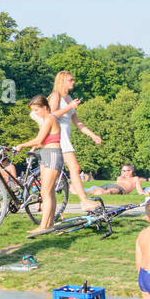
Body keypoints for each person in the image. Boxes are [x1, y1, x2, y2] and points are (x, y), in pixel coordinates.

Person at [48, 70, 103, 208]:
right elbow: (51, 116)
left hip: (64, 138)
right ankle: (84, 201)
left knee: (54, 174)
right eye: (70, 80)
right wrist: (69, 107)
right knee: (74, 167)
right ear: (62, 82)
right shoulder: (56, 96)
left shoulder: (69, 98)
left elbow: (77, 123)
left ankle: (43, 203)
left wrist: (93, 135)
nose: (73, 82)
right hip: (57, 136)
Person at [15, 95, 63, 234]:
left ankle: (43, 226)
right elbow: (43, 141)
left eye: (37, 110)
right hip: (47, 153)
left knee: (46, 192)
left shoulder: (49, 118)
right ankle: (50, 223)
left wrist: (22, 145)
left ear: (45, 107)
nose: (35, 113)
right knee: (49, 192)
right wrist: (33, 148)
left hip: (53, 154)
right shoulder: (47, 120)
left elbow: (39, 139)